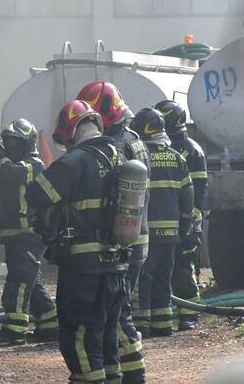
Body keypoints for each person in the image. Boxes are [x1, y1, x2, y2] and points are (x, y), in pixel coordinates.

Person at [26, 101, 127, 384]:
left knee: (79, 334)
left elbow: (36, 194)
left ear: (71, 129)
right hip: (116, 265)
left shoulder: (74, 161)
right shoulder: (118, 156)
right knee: (106, 335)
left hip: (83, 267)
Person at [78, 81, 148, 383]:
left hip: (124, 240)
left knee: (118, 314)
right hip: (137, 234)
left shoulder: (117, 144)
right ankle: (120, 373)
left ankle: (134, 376)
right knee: (118, 310)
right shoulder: (134, 139)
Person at [0, 119, 58, 347]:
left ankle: (14, 331)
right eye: (7, 142)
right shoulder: (8, 166)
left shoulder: (34, 165)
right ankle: (51, 324)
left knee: (19, 283)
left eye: (15, 143)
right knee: (30, 282)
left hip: (29, 234)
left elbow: (14, 174)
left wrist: (1, 158)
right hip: (14, 235)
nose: (10, 146)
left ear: (27, 144)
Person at [130, 108, 194, 338]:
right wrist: (185, 225)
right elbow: (188, 195)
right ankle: (163, 323)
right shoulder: (177, 157)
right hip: (171, 233)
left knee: (144, 278)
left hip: (147, 233)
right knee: (163, 278)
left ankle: (142, 323)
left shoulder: (139, 157)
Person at [155, 100, 207, 331]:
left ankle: (190, 313)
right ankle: (162, 313)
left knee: (184, 267)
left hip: (187, 220)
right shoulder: (161, 149)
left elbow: (198, 192)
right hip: (165, 218)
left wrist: (190, 222)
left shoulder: (193, 152)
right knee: (161, 268)